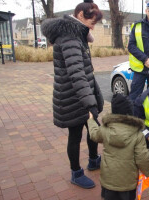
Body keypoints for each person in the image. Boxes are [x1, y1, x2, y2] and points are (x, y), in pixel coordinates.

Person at [41, 0, 104, 189]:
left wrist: (93, 97)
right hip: (71, 97)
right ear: (80, 16)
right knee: (75, 135)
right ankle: (76, 173)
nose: (94, 26)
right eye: (92, 22)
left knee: (93, 128)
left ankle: (93, 160)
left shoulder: (78, 36)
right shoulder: (69, 38)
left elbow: (86, 72)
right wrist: (89, 103)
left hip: (82, 94)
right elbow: (77, 74)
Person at [88, 94, 149, 200]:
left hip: (108, 181)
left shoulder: (105, 129)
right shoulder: (137, 134)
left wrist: (91, 120)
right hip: (128, 182)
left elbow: (94, 134)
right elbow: (142, 158)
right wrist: (146, 172)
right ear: (130, 112)